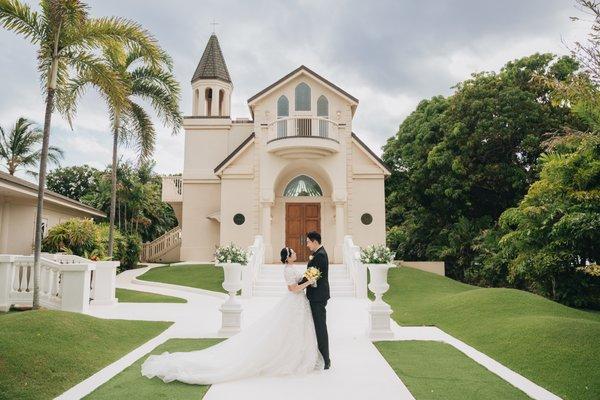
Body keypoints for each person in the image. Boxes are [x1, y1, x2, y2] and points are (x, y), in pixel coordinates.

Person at [140, 247, 324, 385]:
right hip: (294, 301)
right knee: (288, 329)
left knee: (294, 330)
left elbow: (299, 282)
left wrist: (308, 279)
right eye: (292, 253)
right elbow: (292, 288)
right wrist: (309, 282)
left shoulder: (293, 268)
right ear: (288, 258)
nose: (294, 254)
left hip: (299, 303)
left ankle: (299, 356)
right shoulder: (288, 269)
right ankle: (290, 359)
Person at [298, 231, 331, 369]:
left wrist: (297, 285)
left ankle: (325, 360)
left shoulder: (320, 256)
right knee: (318, 327)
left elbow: (311, 275)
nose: (307, 245)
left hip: (318, 297)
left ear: (315, 242)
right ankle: (321, 357)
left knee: (320, 328)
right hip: (317, 295)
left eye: (308, 242)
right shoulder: (319, 254)